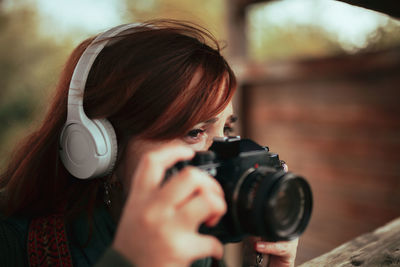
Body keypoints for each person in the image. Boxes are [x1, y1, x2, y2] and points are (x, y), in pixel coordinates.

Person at [0, 19, 298, 267]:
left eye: (227, 130)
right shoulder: (14, 246)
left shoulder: (196, 239)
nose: (223, 154)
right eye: (195, 132)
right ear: (101, 148)